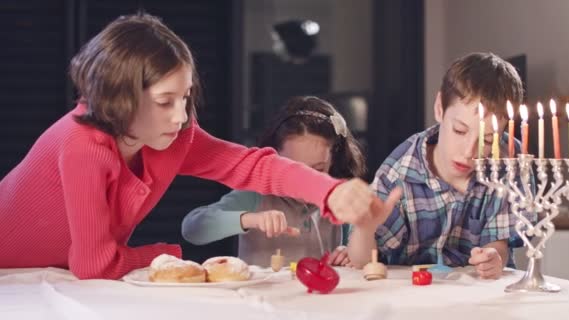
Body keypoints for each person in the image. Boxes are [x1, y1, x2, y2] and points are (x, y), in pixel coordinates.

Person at [0, 13, 400, 280]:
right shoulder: (81, 144)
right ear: (119, 99)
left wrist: (332, 191)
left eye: (185, 97)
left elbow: (254, 166)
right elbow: (93, 264)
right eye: (164, 101)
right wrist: (165, 251)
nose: (180, 116)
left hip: (42, 274)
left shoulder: (174, 135)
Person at [348, 52, 529, 279]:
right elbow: (362, 260)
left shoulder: (509, 161)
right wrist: (365, 229)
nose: (468, 152)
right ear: (439, 108)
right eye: (460, 131)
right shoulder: (399, 172)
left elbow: (499, 242)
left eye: (488, 140)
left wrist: (494, 257)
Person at [182, 96, 366, 267]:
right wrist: (249, 219)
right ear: (273, 159)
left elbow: (355, 245)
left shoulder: (337, 199)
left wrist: (349, 252)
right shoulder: (255, 195)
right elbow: (193, 229)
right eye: (292, 171)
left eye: (318, 170)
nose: (305, 183)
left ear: (334, 159)